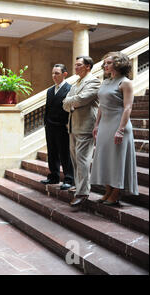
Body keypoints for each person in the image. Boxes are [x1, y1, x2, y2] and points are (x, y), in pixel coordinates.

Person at [90, 52, 139, 206]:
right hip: (105, 124)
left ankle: (116, 192)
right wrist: (97, 124)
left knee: (117, 159)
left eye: (108, 63)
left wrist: (121, 130)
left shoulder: (125, 83)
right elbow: (101, 107)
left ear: (118, 64)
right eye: (104, 63)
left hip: (119, 123)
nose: (105, 65)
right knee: (105, 158)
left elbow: (127, 107)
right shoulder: (105, 82)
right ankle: (108, 190)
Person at [62, 56, 101, 207]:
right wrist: (72, 103)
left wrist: (71, 102)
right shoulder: (76, 82)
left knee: (83, 160)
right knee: (75, 160)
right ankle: (79, 187)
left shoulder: (94, 81)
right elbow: (65, 103)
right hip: (73, 126)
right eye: (75, 65)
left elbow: (82, 99)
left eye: (79, 65)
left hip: (86, 126)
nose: (76, 67)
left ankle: (83, 192)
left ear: (88, 66)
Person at [40, 64, 74, 190]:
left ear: (65, 74)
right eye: (53, 73)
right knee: (52, 152)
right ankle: (53, 176)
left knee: (65, 153)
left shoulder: (70, 89)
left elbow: (70, 108)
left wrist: (67, 124)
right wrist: (46, 123)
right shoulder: (50, 90)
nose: (54, 76)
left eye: (57, 73)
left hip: (62, 126)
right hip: (50, 126)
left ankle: (69, 178)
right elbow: (48, 108)